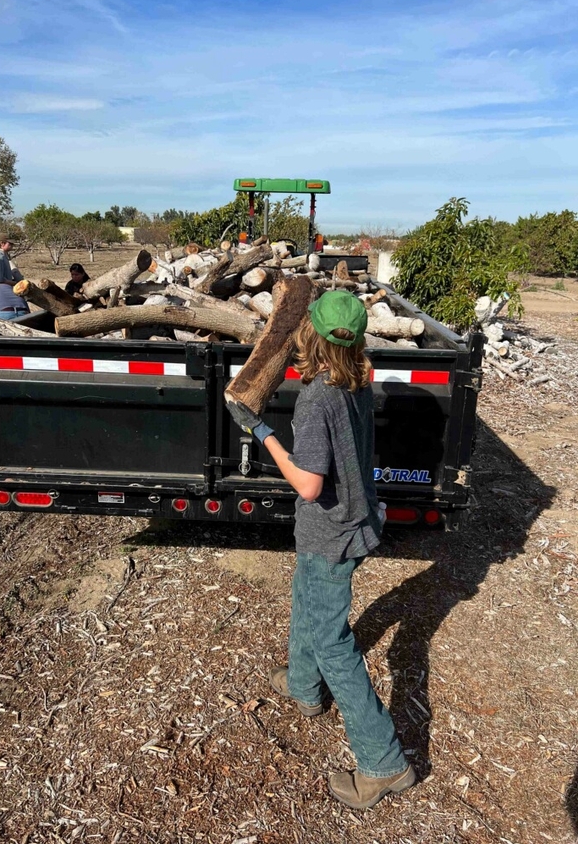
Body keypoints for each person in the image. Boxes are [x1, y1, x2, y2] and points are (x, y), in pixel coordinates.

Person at [226, 290, 415, 811]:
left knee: (333, 640)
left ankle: (384, 762)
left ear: (306, 333)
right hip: (342, 523)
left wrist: (260, 431)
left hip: (333, 529)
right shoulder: (355, 380)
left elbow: (308, 485)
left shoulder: (317, 398)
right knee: (305, 598)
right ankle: (304, 686)